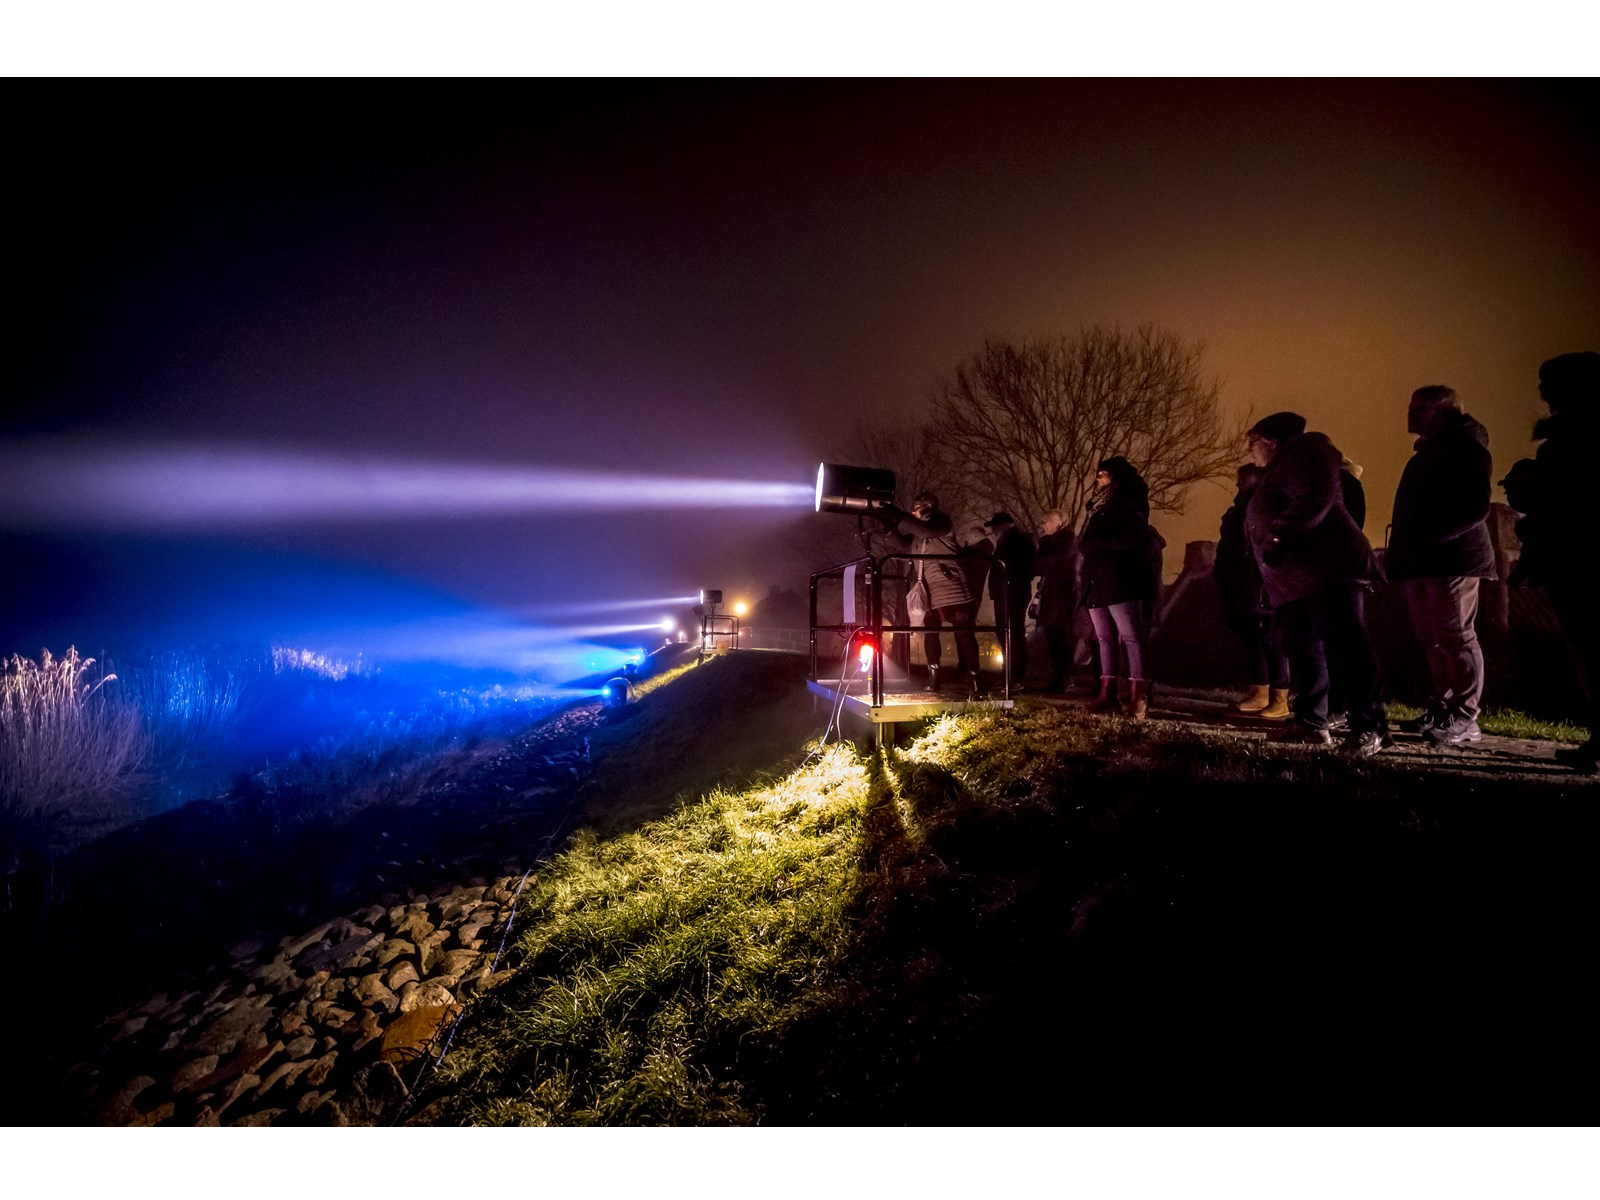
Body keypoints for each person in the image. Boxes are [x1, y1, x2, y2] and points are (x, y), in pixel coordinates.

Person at [1243, 411, 1391, 756]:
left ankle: (1371, 726)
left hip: (1327, 569)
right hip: (1299, 577)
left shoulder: (1302, 452)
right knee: (1305, 649)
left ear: (1269, 440)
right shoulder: (1284, 462)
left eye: (1252, 443)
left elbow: (1314, 497)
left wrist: (1277, 537)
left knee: (1347, 647)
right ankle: (1310, 723)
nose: (1249, 452)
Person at [1499, 352, 1600, 774]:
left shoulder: (1572, 439)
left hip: (1577, 556)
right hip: (1570, 554)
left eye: (1550, 384)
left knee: (1590, 649)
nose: (1542, 393)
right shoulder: (1570, 437)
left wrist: (1529, 490)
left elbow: (1564, 501)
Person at [1384, 385, 1496, 746]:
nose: (1411, 413)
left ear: (1446, 410)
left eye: (1421, 407)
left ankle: (1466, 715)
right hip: (1424, 560)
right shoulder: (1430, 451)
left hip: (1453, 558)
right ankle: (1445, 707)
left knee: (1456, 635)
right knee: (1432, 638)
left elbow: (1476, 506)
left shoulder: (1465, 447)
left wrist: (1431, 538)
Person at [877, 490, 981, 695]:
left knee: (964, 634)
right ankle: (933, 677)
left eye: (917, 507)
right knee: (930, 634)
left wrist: (899, 515)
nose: (914, 511)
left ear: (929, 506)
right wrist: (889, 526)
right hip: (929, 591)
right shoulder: (919, 532)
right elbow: (905, 546)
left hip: (952, 587)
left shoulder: (941, 521)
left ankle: (976, 678)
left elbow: (925, 531)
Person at [1079, 456, 1156, 720]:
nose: (1098, 479)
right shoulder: (1100, 505)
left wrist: (1095, 542)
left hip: (1120, 577)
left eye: (1103, 474)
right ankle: (1107, 693)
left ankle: (1139, 696)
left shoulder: (1129, 500)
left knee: (1131, 637)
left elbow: (1132, 538)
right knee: (1104, 637)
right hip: (1097, 579)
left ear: (1116, 477)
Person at [1215, 463, 1291, 719]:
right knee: (1253, 639)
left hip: (1260, 585)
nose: (1238, 484)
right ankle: (1259, 692)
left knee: (1273, 640)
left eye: (1242, 479)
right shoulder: (1238, 510)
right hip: (1243, 583)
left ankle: (1280, 697)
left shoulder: (1264, 507)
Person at [983, 512, 1035, 690]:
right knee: (1005, 633)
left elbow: (1024, 566)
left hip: (1012, 592)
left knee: (1013, 633)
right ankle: (1008, 674)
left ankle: (1016, 676)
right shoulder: (1009, 541)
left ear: (1004, 525)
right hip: (1005, 592)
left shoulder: (1018, 540)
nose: (993, 530)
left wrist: (1009, 582)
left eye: (995, 526)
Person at [1032, 510, 1080, 693]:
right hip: (1051, 594)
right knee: (1052, 637)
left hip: (1062, 594)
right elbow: (1038, 565)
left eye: (1047, 520)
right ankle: (1058, 677)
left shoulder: (1068, 540)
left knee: (1061, 637)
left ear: (1060, 522)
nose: (1043, 524)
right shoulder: (1049, 542)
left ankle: (1065, 678)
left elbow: (1052, 563)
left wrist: (1044, 560)